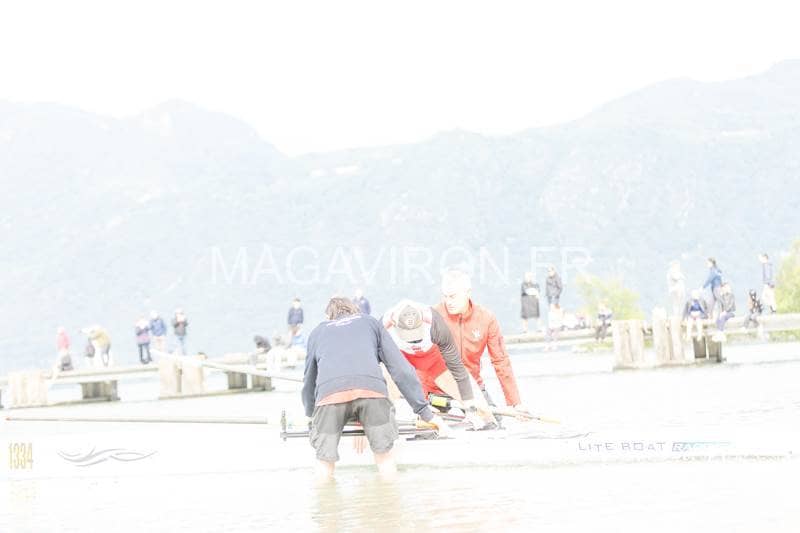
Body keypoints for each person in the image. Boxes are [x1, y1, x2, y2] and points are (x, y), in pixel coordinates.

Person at [302, 297, 447, 481]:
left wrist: (311, 416)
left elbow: (309, 380)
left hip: (330, 397)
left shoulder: (317, 332)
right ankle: (387, 495)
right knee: (384, 457)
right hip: (372, 395)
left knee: (324, 461)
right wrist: (424, 412)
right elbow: (401, 370)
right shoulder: (370, 322)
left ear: (328, 316)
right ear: (355, 311)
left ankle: (324, 497)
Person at [382, 300, 496, 428]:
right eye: (409, 335)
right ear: (395, 324)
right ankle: (383, 422)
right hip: (401, 357)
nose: (414, 340)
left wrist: (469, 403)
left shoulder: (435, 323)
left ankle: (489, 420)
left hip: (432, 359)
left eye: (416, 333)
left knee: (470, 396)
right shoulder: (383, 327)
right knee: (387, 379)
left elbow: (457, 367)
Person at [433, 269, 527, 413]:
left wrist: (515, 403)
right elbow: (420, 360)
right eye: (445, 296)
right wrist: (423, 400)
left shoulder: (487, 318)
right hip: (439, 389)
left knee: (494, 423)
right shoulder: (433, 316)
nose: (448, 302)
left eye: (452, 296)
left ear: (468, 293)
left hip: (472, 387)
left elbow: (501, 361)